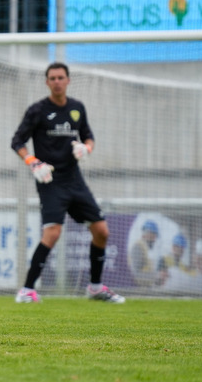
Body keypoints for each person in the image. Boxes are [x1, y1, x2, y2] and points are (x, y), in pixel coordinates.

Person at [11, 62, 125, 304]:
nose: (57, 81)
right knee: (52, 233)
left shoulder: (77, 108)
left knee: (102, 231)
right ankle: (27, 290)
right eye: (52, 78)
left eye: (61, 77)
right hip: (50, 180)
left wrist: (87, 148)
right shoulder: (38, 110)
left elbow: (88, 136)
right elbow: (17, 141)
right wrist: (33, 162)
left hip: (75, 180)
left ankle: (95, 288)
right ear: (47, 82)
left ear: (68, 80)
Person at [129, 219, 160, 287]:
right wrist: (155, 276)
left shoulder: (144, 247)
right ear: (148, 234)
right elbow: (135, 273)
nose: (154, 239)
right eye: (153, 235)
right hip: (137, 288)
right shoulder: (138, 247)